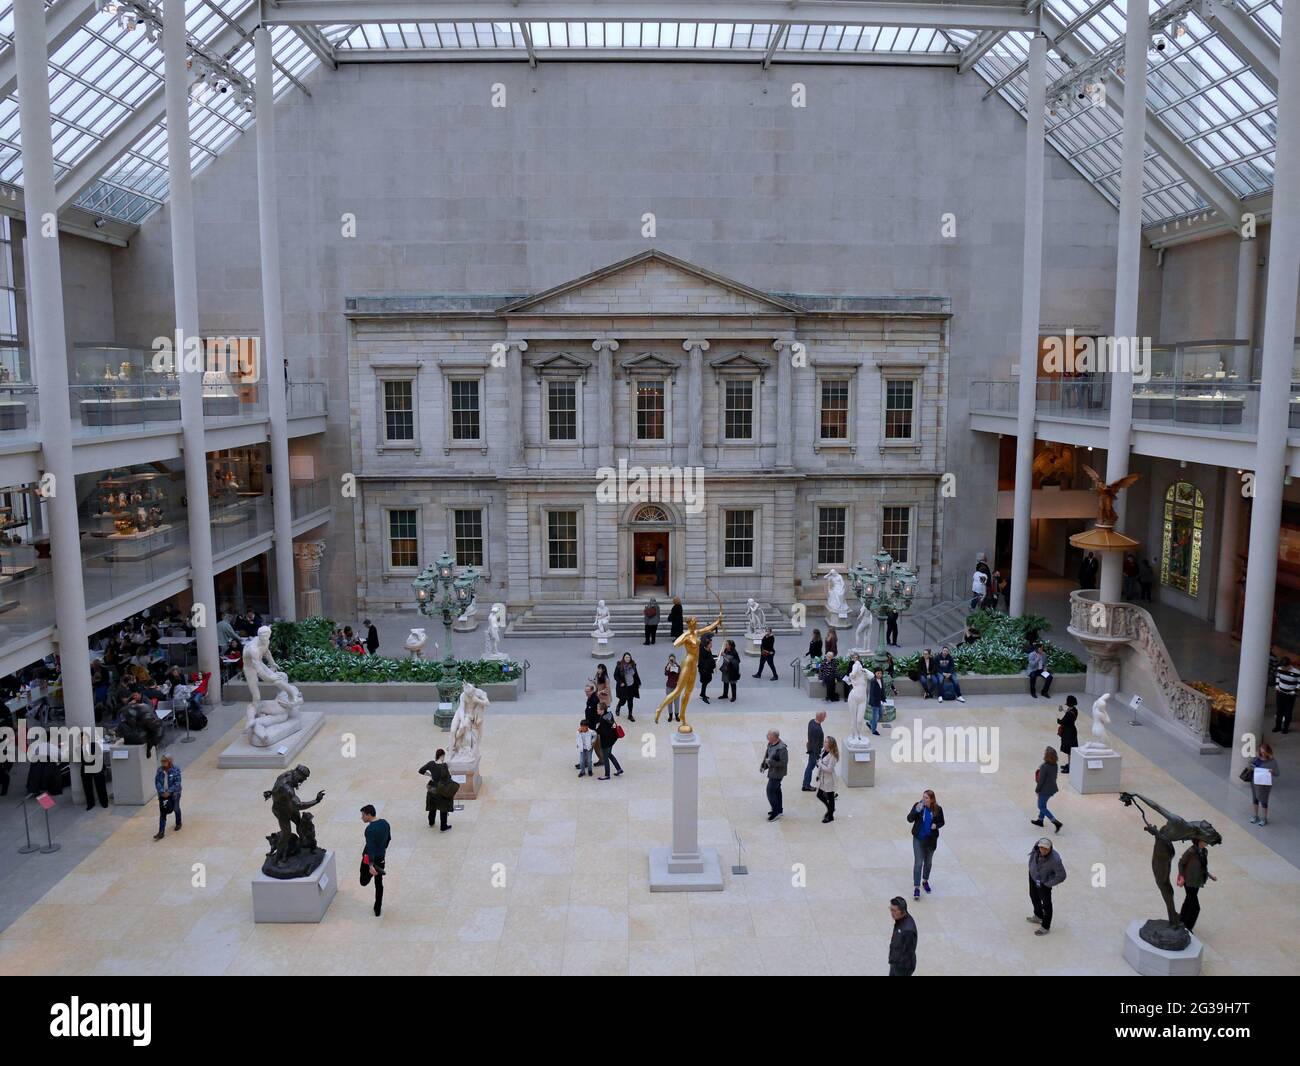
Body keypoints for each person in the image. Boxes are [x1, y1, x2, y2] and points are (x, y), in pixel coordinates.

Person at [907, 789, 945, 900]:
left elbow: (942, 821)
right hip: (918, 839)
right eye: (923, 797)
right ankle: (917, 887)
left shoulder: (937, 809)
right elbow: (909, 819)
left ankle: (925, 880)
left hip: (931, 840)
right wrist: (916, 810)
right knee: (918, 863)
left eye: (926, 798)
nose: (924, 800)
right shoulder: (918, 806)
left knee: (928, 862)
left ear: (932, 799)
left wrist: (936, 826)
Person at [1026, 837, 1066, 935]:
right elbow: (1032, 856)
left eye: (1046, 849)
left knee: (1046, 904)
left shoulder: (1055, 860)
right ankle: (1038, 915)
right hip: (1033, 876)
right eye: (1041, 848)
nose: (1043, 850)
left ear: (1050, 849)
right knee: (1033, 896)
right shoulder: (1037, 847)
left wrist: (1048, 884)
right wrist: (1031, 868)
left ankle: (1045, 926)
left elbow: (1062, 875)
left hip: (1044, 882)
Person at [1176, 837, 1216, 932]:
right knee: (1196, 907)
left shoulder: (1204, 851)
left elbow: (1203, 867)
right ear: (1199, 841)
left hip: (1198, 882)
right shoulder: (1191, 851)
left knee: (1188, 901)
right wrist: (1181, 876)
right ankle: (1188, 928)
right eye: (1205, 840)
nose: (1207, 842)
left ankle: (1182, 919)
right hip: (1189, 882)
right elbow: (1181, 863)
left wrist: (1210, 875)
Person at [360, 804, 391, 916]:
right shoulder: (385, 823)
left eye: (363, 815)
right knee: (379, 883)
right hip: (381, 857)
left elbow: (370, 848)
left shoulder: (369, 829)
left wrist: (371, 865)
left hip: (369, 859)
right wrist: (382, 850)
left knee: (363, 881)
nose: (361, 817)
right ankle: (378, 909)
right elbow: (388, 839)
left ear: (369, 815)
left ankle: (373, 870)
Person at [418, 750, 455, 831]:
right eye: (443, 756)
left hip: (432, 790)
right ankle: (443, 826)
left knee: (432, 807)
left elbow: (421, 770)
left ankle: (431, 822)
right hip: (441, 791)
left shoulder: (431, 763)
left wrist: (430, 775)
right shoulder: (444, 766)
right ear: (441, 756)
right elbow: (448, 778)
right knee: (443, 808)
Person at [1031, 746, 1063, 833]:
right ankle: (1040, 820)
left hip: (1044, 790)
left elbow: (1041, 781)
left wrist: (1037, 790)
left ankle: (1055, 822)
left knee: (1041, 806)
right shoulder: (1055, 765)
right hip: (1052, 789)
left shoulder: (1044, 767)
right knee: (1043, 805)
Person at [1248, 742, 1279, 827]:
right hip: (1255, 783)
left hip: (1265, 785)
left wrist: (1272, 772)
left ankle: (1264, 818)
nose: (1262, 754)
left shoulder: (1272, 761)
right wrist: (1252, 767)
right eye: (1261, 752)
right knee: (1255, 799)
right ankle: (1255, 816)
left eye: (1264, 752)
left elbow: (1277, 773)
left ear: (1268, 752)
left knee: (1264, 801)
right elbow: (1250, 766)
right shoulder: (1256, 759)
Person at [761, 729, 788, 821]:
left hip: (777, 774)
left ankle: (776, 812)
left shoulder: (782, 749)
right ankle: (779, 810)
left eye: (769, 735)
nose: (767, 736)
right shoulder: (770, 743)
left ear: (774, 737)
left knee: (770, 791)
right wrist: (763, 765)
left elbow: (784, 763)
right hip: (772, 771)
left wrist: (771, 762)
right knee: (776, 790)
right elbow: (767, 754)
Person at [152, 755, 181, 840]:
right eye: (162, 761)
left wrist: (169, 792)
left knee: (176, 808)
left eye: (165, 761)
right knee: (163, 811)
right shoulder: (160, 770)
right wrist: (161, 791)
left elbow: (177, 783)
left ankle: (178, 822)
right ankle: (161, 832)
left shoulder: (176, 769)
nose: (163, 763)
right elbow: (157, 782)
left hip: (174, 793)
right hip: (163, 794)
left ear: (170, 761)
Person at [888, 897, 918, 976]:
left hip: (902, 967)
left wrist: (897, 962)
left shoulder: (908, 930)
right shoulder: (901, 920)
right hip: (895, 963)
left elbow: (908, 953)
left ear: (902, 910)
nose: (892, 913)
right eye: (891, 909)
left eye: (894, 910)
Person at [813, 736, 838, 823]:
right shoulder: (823, 750)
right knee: (819, 795)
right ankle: (830, 809)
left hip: (829, 780)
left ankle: (830, 816)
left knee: (830, 797)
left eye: (826, 742)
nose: (824, 743)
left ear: (830, 744)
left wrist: (820, 764)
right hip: (822, 778)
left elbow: (829, 770)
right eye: (825, 741)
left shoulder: (833, 756)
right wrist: (817, 774)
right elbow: (820, 759)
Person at [802, 709, 826, 792]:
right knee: (823, 769)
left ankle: (806, 785)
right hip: (815, 752)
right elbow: (816, 745)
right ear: (822, 717)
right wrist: (818, 757)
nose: (825, 717)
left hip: (811, 748)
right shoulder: (817, 730)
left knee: (810, 767)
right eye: (824, 716)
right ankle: (826, 789)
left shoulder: (811, 722)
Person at [596, 705, 623, 779]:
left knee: (605, 757)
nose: (597, 710)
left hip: (606, 741)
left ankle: (607, 775)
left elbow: (604, 732)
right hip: (612, 739)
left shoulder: (602, 719)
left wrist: (597, 730)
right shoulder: (609, 714)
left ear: (602, 710)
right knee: (609, 754)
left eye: (598, 709)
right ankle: (619, 769)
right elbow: (612, 726)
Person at [582, 683, 605, 768]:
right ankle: (602, 760)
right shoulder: (590, 698)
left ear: (592, 690)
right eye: (585, 691)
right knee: (596, 746)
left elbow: (597, 715)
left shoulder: (594, 700)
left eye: (587, 691)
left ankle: (585, 762)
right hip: (591, 726)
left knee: (589, 745)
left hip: (593, 728)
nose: (586, 693)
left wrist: (594, 728)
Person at [1274, 658, 1298, 734]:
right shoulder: (1280, 669)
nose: (1283, 668)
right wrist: (1277, 686)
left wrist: (1294, 691)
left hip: (1290, 695)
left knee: (1288, 711)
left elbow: (1299, 683)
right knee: (1279, 710)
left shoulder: (1297, 672)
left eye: (1284, 667)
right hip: (1280, 692)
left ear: (1289, 666)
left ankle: (1285, 728)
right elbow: (1278, 677)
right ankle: (1278, 727)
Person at [614, 652, 641, 721]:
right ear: (623, 658)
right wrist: (620, 682)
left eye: (629, 657)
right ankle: (618, 706)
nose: (628, 659)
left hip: (631, 686)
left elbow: (636, 674)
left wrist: (638, 683)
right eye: (626, 657)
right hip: (623, 687)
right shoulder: (619, 666)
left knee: (630, 701)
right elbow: (615, 675)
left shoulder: (633, 665)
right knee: (623, 701)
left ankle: (630, 714)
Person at [1057, 695, 1079, 774]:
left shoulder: (1070, 714)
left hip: (1069, 733)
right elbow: (1068, 712)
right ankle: (1070, 764)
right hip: (1071, 731)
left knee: (1069, 750)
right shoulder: (1074, 710)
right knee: (1069, 750)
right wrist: (1063, 710)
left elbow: (1063, 721)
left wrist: (1058, 720)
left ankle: (1070, 767)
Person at [697, 635, 716, 704]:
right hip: (704, 669)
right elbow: (704, 661)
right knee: (705, 681)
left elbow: (709, 656)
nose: (711, 644)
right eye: (710, 643)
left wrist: (715, 656)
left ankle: (702, 693)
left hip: (707, 668)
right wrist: (712, 660)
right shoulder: (702, 650)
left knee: (706, 681)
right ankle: (703, 695)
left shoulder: (708, 649)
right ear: (707, 645)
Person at [867, 666, 885, 736]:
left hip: (879, 701)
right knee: (875, 717)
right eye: (878, 673)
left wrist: (883, 699)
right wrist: (876, 701)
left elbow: (882, 690)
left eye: (881, 673)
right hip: (875, 702)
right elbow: (872, 693)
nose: (879, 675)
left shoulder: (881, 679)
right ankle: (873, 730)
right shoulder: (873, 681)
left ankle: (870, 723)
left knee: (880, 715)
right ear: (875, 673)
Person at [663, 654, 680, 722]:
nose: (672, 660)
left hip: (676, 687)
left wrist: (674, 667)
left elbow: (679, 673)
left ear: (675, 659)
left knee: (676, 702)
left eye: (673, 659)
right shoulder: (667, 666)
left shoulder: (678, 666)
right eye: (670, 659)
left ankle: (676, 715)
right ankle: (670, 715)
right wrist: (668, 667)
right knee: (669, 702)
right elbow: (666, 674)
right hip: (669, 687)